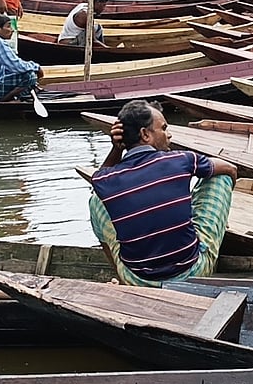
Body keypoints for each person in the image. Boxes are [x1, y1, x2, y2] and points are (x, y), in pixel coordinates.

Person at [89, 99, 239, 287]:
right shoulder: (181, 159)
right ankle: (216, 240)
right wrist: (220, 220)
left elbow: (100, 183)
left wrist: (115, 149)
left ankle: (121, 280)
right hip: (191, 271)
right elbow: (230, 169)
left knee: (96, 200)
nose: (169, 135)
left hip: (135, 278)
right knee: (220, 176)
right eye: (163, 128)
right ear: (145, 134)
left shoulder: (106, 179)